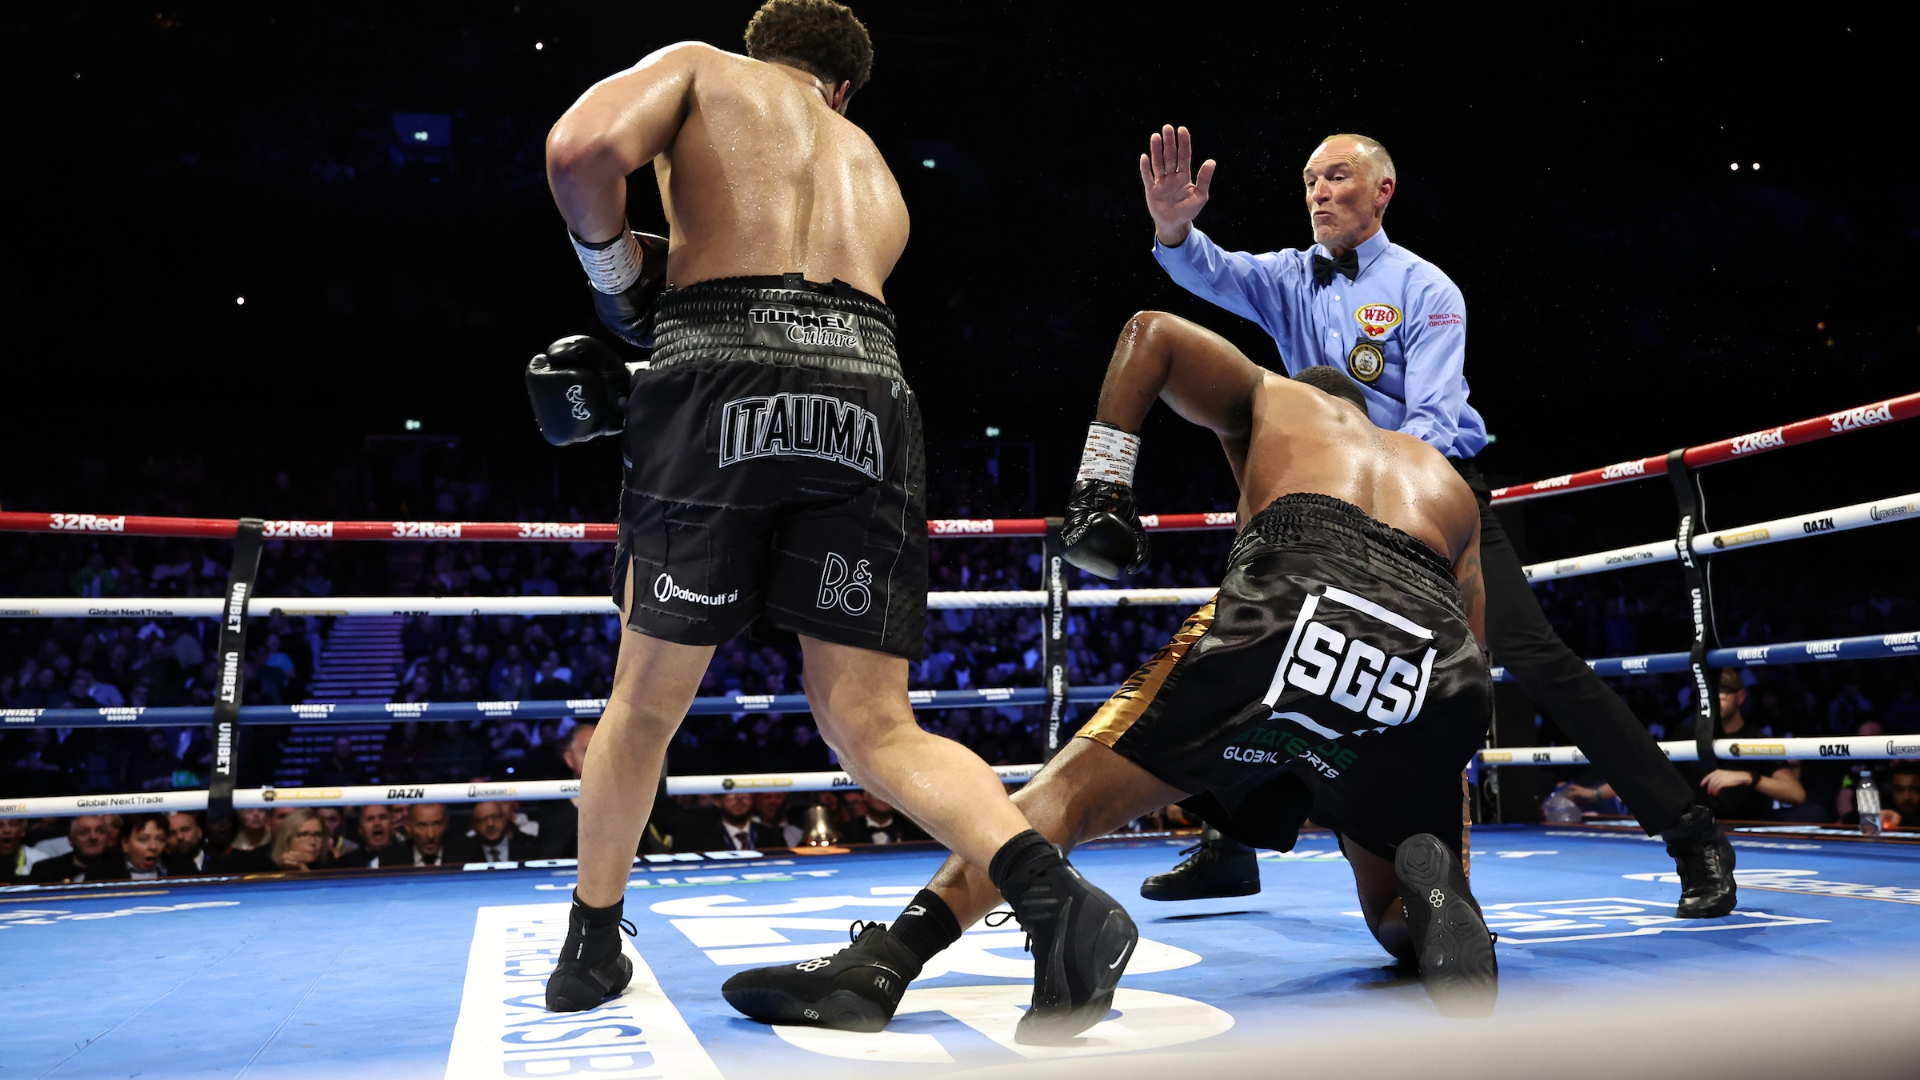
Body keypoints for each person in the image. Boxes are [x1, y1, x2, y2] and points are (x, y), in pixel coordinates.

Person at [529, 0, 1132, 1038]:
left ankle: (591, 948)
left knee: (645, 702)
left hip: (721, 372)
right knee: (875, 725)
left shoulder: (704, 68)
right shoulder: (875, 169)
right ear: (843, 90)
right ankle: (1053, 900)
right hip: (871, 386)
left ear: (761, 53)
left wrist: (619, 280)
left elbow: (578, 152)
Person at [724, 312, 1502, 1028]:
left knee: (1067, 799)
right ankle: (1434, 897)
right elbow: (1474, 663)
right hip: (1433, 662)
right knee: (1394, 907)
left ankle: (886, 963)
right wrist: (1437, 807)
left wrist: (1104, 488)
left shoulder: (1279, 399)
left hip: (1300, 598)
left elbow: (1152, 331)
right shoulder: (1445, 480)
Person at [1133, 125, 1733, 917]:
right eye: (1309, 180)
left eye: (1336, 177)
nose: (1318, 192)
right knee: (1260, 653)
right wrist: (1173, 225)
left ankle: (1692, 833)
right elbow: (1205, 269)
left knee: (1536, 659)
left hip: (1434, 495)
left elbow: (1435, 424)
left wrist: (1377, 503)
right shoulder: (1288, 278)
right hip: (1328, 504)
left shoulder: (1427, 289)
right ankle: (1230, 847)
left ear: (1382, 190)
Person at [29, 815, 116, 883]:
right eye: (84, 832)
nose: (93, 837)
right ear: (71, 840)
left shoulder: (121, 869)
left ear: (108, 837)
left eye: (100, 832)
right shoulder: (45, 870)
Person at [446, 801, 539, 864]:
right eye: (483, 819)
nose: (490, 824)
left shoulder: (529, 846)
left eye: (495, 817)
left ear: (504, 819)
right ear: (474, 826)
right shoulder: (461, 854)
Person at [335, 804, 401, 869]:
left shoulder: (406, 857)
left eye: (382, 817)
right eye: (370, 819)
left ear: (391, 825)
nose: (377, 823)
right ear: (360, 829)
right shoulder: (345, 864)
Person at [163, 811, 209, 876]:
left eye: (185, 830)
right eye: (172, 833)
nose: (180, 837)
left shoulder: (222, 866)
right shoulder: (162, 870)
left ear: (199, 832)